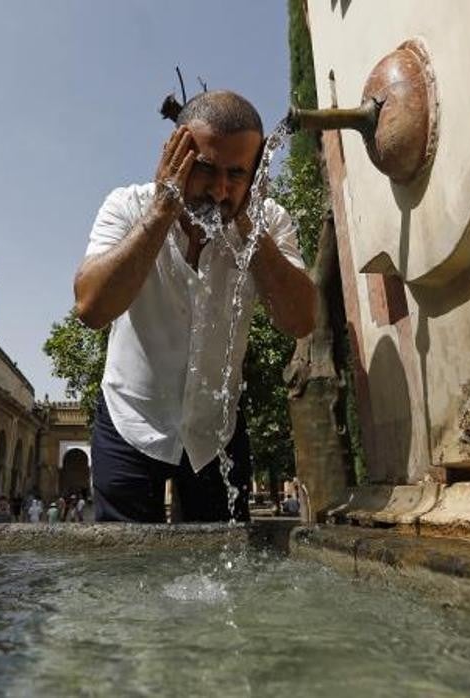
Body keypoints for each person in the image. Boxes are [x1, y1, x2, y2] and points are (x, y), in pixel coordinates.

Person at [73, 90, 315, 523]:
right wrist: (163, 208)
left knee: (225, 574)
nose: (220, 190)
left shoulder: (269, 220)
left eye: (237, 174)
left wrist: (248, 220)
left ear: (257, 172)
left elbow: (299, 320)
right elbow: (91, 307)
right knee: (123, 570)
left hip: (216, 430)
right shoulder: (127, 207)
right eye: (205, 170)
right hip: (130, 418)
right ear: (175, 156)